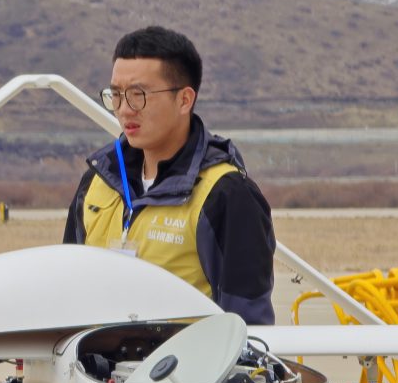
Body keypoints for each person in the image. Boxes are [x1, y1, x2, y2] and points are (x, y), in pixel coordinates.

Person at [63, 26, 275, 325]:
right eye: (116, 95)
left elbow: (248, 325)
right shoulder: (98, 180)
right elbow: (66, 292)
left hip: (184, 369)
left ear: (185, 100)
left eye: (138, 95)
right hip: (92, 367)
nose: (124, 110)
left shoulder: (226, 194)